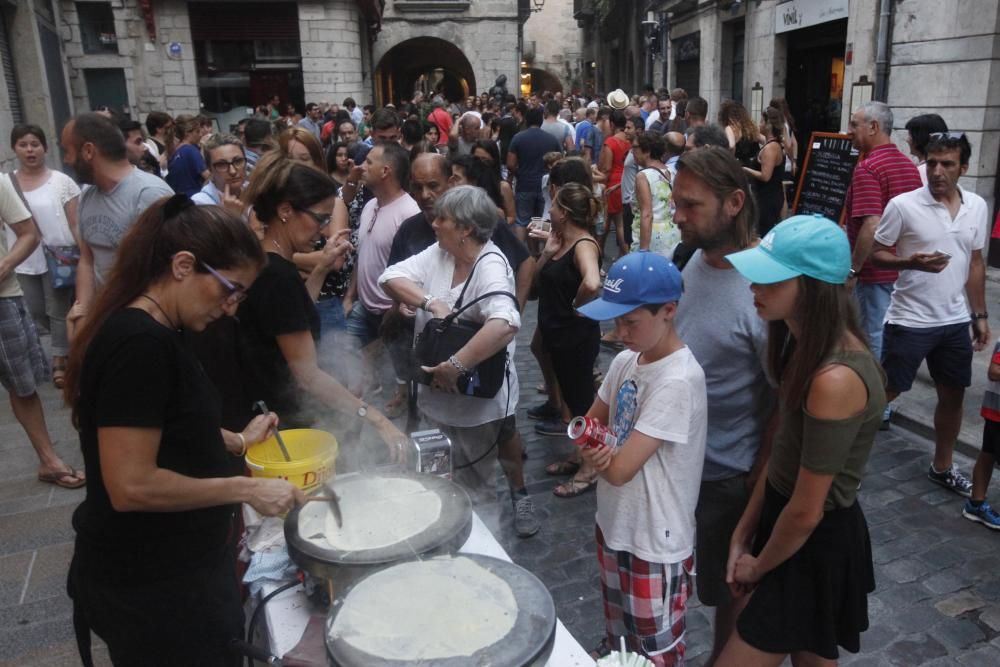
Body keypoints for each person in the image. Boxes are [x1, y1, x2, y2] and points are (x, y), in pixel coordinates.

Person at [64, 195, 305, 666]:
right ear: (182, 265)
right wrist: (245, 490)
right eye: (227, 290)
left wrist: (237, 440)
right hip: (154, 586)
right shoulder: (138, 345)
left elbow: (165, 427)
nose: (232, 309)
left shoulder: (160, 331)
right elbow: (130, 485)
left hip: (180, 570)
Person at [719, 214, 884, 665]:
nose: (753, 287)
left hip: (812, 542)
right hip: (788, 528)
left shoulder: (834, 377)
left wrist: (758, 562)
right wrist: (743, 535)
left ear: (812, 287)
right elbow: (782, 457)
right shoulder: (800, 344)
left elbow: (808, 509)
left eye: (769, 279)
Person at [574, 250, 707, 666]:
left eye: (631, 321)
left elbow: (617, 469)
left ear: (668, 311)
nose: (620, 331)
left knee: (655, 653)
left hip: (655, 539)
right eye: (617, 320)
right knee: (620, 641)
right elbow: (589, 422)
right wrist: (598, 448)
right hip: (614, 523)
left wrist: (600, 453)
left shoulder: (678, 380)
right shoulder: (624, 361)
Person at [670, 147, 775, 664]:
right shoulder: (695, 257)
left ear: (734, 203)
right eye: (676, 202)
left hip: (726, 475)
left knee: (727, 589)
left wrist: (757, 475)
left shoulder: (765, 287)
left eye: (690, 205)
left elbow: (785, 394)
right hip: (677, 464)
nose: (677, 215)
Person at [237, 152, 405, 454]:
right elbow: (308, 375)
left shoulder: (269, 262)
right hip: (281, 420)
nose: (324, 229)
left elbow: (290, 316)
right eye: (320, 218)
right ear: (286, 210)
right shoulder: (278, 276)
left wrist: (321, 268)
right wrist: (376, 418)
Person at [380, 186, 523, 506]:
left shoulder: (491, 267)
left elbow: (506, 323)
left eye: (442, 218)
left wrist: (454, 366)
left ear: (466, 228)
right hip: (435, 399)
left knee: (477, 486)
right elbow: (390, 277)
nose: (434, 223)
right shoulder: (441, 252)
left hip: (475, 405)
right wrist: (431, 302)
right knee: (437, 477)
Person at [871, 132, 989, 497]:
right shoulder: (904, 205)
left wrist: (979, 314)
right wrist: (910, 262)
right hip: (909, 320)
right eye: (932, 163)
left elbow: (975, 262)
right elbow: (876, 253)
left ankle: (942, 466)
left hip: (954, 323)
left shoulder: (977, 206)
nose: (937, 171)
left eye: (947, 164)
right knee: (883, 394)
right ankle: (843, 467)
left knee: (952, 396)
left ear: (963, 168)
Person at [63, 113, 174, 324]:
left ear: (88, 151)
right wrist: (83, 314)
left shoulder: (150, 194)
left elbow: (169, 272)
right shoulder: (88, 195)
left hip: (143, 325)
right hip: (103, 318)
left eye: (67, 151)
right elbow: (87, 260)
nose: (66, 160)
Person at [529, 183, 603, 496]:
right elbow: (534, 287)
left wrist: (577, 305)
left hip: (574, 337)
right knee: (574, 404)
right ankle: (579, 455)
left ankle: (591, 468)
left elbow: (592, 281)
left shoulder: (584, 244)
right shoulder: (560, 241)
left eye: (555, 206)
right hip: (557, 335)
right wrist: (545, 254)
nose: (550, 210)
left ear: (567, 214)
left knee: (584, 404)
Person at [844, 101, 922, 388]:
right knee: (890, 333)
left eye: (854, 124)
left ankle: (874, 400)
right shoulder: (909, 167)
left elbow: (871, 224)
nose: (849, 131)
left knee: (870, 334)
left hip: (875, 272)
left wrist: (853, 271)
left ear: (873, 127)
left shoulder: (868, 168)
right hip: (901, 269)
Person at [344, 142, 420, 399]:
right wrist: (349, 295)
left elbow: (415, 270)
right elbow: (363, 255)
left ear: (386, 171)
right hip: (364, 307)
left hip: (393, 311)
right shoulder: (369, 206)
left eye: (368, 162)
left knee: (404, 372)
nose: (361, 167)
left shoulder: (409, 213)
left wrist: (395, 307)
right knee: (345, 359)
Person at [8, 125, 81, 388]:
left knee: (57, 310)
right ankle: (66, 346)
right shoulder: (6, 184)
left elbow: (75, 222)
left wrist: (83, 253)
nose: (30, 150)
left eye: (35, 144)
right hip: (22, 260)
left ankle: (60, 361)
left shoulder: (62, 182)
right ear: (14, 148)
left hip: (58, 257)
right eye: (23, 145)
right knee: (35, 311)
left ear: (45, 148)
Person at [507, 107, 562, 242]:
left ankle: (522, 252)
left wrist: (520, 174)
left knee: (522, 220)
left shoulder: (518, 138)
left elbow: (510, 164)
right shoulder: (551, 139)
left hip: (524, 184)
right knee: (541, 218)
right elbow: (561, 161)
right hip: (546, 186)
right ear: (541, 120)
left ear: (526, 120)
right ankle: (541, 251)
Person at [965, 339, 1000, 529]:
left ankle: (975, 503)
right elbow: (994, 372)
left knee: (988, 453)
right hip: (997, 412)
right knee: (989, 454)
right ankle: (976, 504)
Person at [632, 132, 679, 258]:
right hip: (673, 234)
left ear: (647, 151)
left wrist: (643, 251)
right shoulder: (672, 172)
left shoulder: (643, 176)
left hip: (652, 236)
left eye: (635, 147)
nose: (632, 152)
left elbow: (647, 214)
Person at [743, 107, 786, 237]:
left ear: (768, 125)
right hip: (768, 196)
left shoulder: (770, 148)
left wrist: (745, 170)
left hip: (767, 199)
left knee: (764, 234)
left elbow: (765, 176)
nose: (759, 124)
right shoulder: (772, 144)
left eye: (761, 121)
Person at [595, 109, 631, 256]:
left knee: (605, 225)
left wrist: (596, 172)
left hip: (611, 185)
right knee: (620, 224)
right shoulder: (629, 140)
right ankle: (623, 256)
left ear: (611, 123)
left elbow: (607, 168)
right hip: (625, 183)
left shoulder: (610, 142)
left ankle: (600, 256)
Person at [191, 134, 247, 216]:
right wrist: (231, 216)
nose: (233, 171)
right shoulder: (200, 204)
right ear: (209, 169)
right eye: (222, 165)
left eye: (238, 161)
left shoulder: (253, 191)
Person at [472, 139, 517, 226]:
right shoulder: (469, 183)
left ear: (493, 159)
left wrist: (496, 223)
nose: (480, 163)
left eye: (485, 159)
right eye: (476, 159)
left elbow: (511, 216)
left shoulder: (503, 186)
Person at [165, 115, 208, 197]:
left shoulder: (174, 151)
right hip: (194, 197)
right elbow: (207, 176)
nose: (201, 135)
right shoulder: (191, 150)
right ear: (187, 133)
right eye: (197, 131)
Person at [904, 113, 949, 185]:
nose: (907, 140)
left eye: (910, 135)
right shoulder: (945, 169)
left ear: (919, 138)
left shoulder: (922, 172)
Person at [718, 101, 761, 168]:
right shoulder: (751, 128)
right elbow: (764, 140)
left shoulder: (730, 128)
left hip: (740, 167)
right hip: (754, 166)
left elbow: (731, 146)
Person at [143, 111, 173, 176]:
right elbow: (157, 165)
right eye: (167, 127)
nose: (171, 130)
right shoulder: (150, 145)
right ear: (158, 129)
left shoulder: (169, 140)